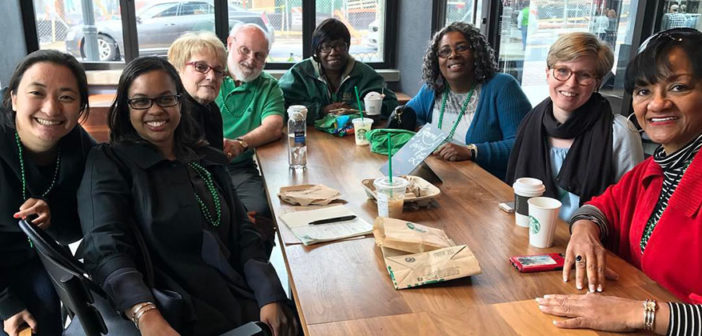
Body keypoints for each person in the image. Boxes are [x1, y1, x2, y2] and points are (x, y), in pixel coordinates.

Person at [77, 56, 297, 336]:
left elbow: (244, 231)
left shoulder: (204, 156)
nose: (156, 110)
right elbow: (104, 246)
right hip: (175, 309)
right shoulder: (110, 162)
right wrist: (146, 315)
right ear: (125, 109)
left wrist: (269, 294)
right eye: (141, 101)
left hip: (237, 291)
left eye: (166, 99)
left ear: (180, 102)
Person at [536, 28, 702, 335]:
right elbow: (602, 206)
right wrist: (584, 229)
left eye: (678, 87)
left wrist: (641, 313)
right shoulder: (656, 168)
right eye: (643, 91)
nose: (657, 103)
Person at [0, 50, 95, 336]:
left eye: (66, 97)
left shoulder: (82, 149)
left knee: (45, 316)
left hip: (37, 260)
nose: (51, 109)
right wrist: (6, 305)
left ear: (79, 108)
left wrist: (51, 219)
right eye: (37, 93)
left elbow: (74, 230)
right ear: (14, 98)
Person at [506, 32, 643, 221]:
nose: (571, 83)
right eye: (562, 70)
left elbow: (630, 205)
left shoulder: (620, 132)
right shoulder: (531, 122)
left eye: (584, 75)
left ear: (597, 82)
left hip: (590, 241)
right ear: (548, 73)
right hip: (530, 230)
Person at [407, 21, 531, 180]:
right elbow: (408, 115)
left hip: (487, 187)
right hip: (441, 178)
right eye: (444, 51)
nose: (453, 55)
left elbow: (522, 145)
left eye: (461, 47)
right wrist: (424, 131)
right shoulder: (433, 89)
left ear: (477, 52)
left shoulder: (502, 87)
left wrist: (471, 151)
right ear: (436, 60)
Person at [216, 23, 282, 225]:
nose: (251, 60)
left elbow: (274, 125)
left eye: (259, 55)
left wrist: (240, 144)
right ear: (229, 43)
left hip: (239, 168)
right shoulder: (211, 75)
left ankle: (254, 256)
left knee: (260, 213)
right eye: (244, 50)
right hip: (198, 167)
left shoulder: (268, 85)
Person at [279, 18, 398, 121]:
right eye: (326, 47)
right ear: (317, 51)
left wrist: (353, 109)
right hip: (309, 137)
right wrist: (320, 111)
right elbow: (280, 106)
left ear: (348, 47)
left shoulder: (364, 74)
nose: (334, 52)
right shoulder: (299, 73)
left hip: (353, 137)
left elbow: (391, 104)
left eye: (340, 45)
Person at [168, 31, 227, 150]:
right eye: (200, 67)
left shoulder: (211, 108)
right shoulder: (173, 115)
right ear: (178, 69)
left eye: (217, 70)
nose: (212, 77)